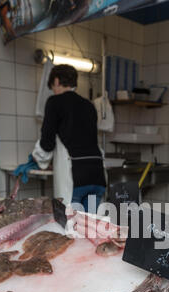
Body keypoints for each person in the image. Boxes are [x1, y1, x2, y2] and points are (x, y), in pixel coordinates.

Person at [32, 64, 106, 212]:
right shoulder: (89, 105)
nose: (53, 89)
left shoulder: (55, 102)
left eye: (52, 85)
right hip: (97, 174)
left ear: (57, 81)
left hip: (74, 178)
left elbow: (47, 142)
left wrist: (40, 159)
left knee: (71, 228)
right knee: (92, 228)